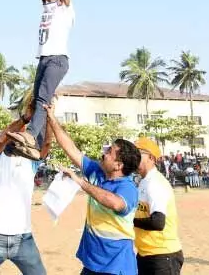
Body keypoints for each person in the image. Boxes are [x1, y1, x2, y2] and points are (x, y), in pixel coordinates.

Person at [44, 102, 141, 275]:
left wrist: (81, 182)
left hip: (116, 265)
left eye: (109, 152)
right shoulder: (96, 171)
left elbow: (115, 203)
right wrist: (51, 118)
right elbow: (70, 148)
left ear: (118, 165)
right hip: (92, 263)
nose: (103, 154)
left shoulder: (128, 188)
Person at [0, 102, 54, 275]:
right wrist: (26, 118)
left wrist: (48, 119)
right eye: (17, 135)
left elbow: (46, 146)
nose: (20, 138)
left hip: (23, 239)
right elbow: (3, 137)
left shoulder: (30, 162)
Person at [8, 0, 74, 160]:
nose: (46, 2)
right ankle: (35, 145)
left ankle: (30, 135)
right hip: (44, 59)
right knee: (36, 101)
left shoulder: (65, 9)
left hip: (57, 59)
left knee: (44, 98)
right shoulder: (47, 7)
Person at [133, 138, 184, 275]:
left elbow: (158, 222)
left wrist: (130, 220)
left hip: (162, 254)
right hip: (146, 253)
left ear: (151, 157)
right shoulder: (143, 182)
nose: (133, 158)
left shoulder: (155, 183)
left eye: (138, 154)